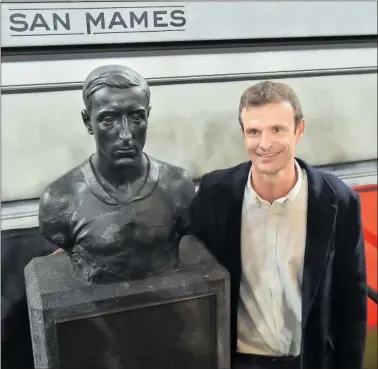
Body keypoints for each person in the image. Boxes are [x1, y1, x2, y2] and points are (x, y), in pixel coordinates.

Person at [185, 81, 367, 369]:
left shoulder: (338, 201)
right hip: (237, 361)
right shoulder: (215, 193)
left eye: (277, 129)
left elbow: (351, 300)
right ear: (243, 134)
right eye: (254, 131)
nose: (265, 144)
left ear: (299, 130)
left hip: (308, 360)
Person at [38, 65, 195, 283]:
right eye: (109, 119)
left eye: (136, 117)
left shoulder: (178, 186)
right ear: (88, 122)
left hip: (167, 302)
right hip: (95, 308)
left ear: (148, 116)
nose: (125, 134)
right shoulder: (59, 199)